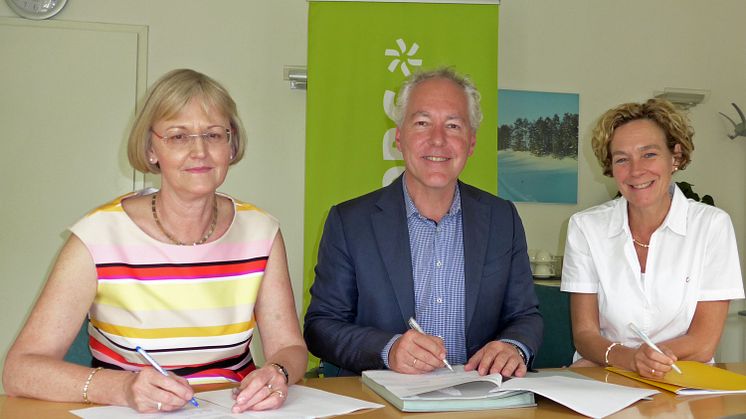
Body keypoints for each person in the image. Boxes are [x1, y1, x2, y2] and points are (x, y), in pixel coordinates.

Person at [2, 69, 307, 413]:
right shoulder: (99, 236)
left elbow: (290, 347)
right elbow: (20, 370)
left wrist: (277, 372)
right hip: (132, 411)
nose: (200, 151)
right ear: (150, 149)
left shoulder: (260, 232)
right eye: (178, 137)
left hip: (234, 411)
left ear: (231, 144)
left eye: (213, 135)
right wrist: (122, 387)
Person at [304, 68, 543, 377]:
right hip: (382, 401)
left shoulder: (501, 218)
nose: (438, 140)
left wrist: (513, 346)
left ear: (471, 143)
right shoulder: (350, 222)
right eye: (422, 123)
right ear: (399, 137)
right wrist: (388, 350)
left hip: (476, 399)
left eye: (453, 125)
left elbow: (525, 315)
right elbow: (321, 326)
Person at [561, 98, 744, 378]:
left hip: (683, 380)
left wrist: (646, 360)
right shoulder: (586, 227)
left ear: (676, 157)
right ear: (611, 167)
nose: (636, 170)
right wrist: (630, 359)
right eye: (622, 159)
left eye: (649, 154)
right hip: (606, 377)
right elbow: (585, 334)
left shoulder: (712, 225)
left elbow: (704, 342)